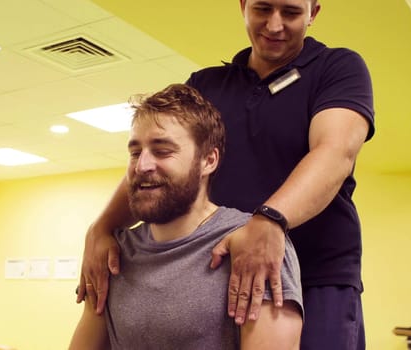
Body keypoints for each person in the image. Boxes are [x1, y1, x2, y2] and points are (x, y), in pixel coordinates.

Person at [78, 0, 375, 349]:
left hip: (317, 272)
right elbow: (159, 161)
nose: (275, 25)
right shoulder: (206, 85)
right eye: (263, 8)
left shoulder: (337, 67)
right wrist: (102, 228)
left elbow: (334, 152)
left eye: (291, 12)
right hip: (220, 268)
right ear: (243, 6)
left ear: (313, 13)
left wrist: (270, 220)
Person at [69, 83, 303, 349]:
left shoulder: (255, 248)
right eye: (135, 153)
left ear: (208, 161)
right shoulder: (113, 254)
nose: (142, 166)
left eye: (162, 151)